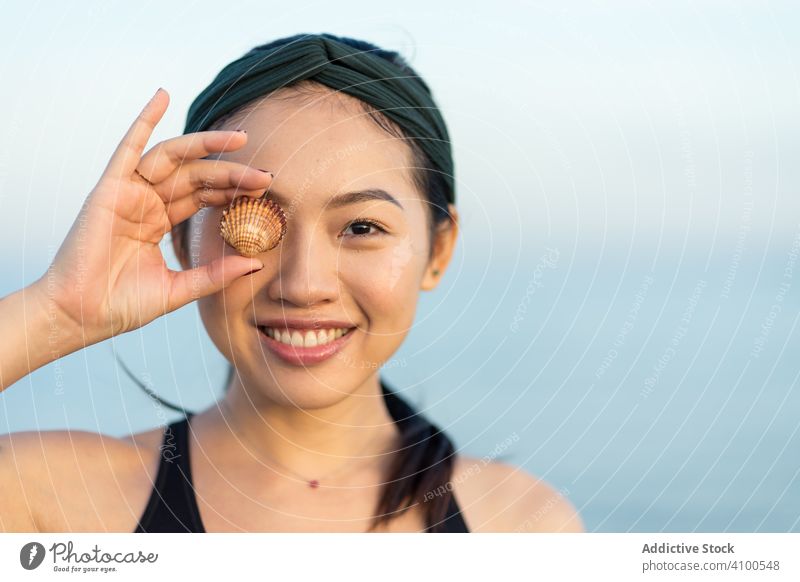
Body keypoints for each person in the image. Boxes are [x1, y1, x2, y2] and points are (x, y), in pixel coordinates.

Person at [0, 33, 584, 533]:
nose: (303, 285)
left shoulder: (521, 527)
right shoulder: (48, 499)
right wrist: (57, 314)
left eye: (361, 226)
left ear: (439, 249)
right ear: (182, 242)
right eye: (250, 222)